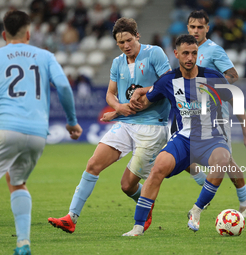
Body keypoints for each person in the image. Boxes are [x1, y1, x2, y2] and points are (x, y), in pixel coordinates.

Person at [122, 34, 246, 236]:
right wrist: (120, 109)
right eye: (185, 53)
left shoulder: (213, 77)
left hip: (212, 138)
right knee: (158, 167)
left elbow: (235, 100)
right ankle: (138, 226)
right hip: (183, 139)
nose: (190, 58)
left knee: (222, 160)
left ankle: (196, 210)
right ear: (176, 54)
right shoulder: (168, 81)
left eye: (194, 53)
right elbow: (145, 101)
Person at [47, 17, 172, 234]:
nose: (126, 45)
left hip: (152, 126)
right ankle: (71, 218)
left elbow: (168, 83)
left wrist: (129, 104)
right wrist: (119, 108)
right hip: (125, 123)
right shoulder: (117, 63)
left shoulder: (155, 53)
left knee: (126, 186)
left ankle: (145, 202)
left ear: (137, 36)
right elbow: (110, 94)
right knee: (93, 163)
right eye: (121, 42)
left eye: (129, 40)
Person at [0, 10, 82, 255]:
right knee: (17, 182)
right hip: (37, 134)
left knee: (15, 182)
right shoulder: (45, 56)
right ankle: (23, 243)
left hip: (6, 127)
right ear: (28, 33)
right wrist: (71, 121)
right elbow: (65, 87)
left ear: (4, 35)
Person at [186, 10, 246, 216]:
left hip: (217, 115)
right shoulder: (187, 50)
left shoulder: (214, 50)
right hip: (194, 113)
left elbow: (233, 75)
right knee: (180, 153)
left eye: (200, 27)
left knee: (225, 160)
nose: (196, 30)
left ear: (207, 28)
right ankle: (205, 186)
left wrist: (212, 86)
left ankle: (244, 200)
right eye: (192, 26)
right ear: (187, 28)